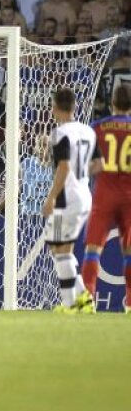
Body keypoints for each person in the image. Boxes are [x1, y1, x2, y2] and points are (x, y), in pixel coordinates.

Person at [36, 87, 96, 314]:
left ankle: (71, 303)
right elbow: (97, 164)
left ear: (54, 108)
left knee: (58, 249)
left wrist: (50, 198)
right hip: (85, 196)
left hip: (66, 199)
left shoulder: (60, 134)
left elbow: (63, 166)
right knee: (64, 249)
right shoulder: (88, 131)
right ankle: (84, 300)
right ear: (75, 106)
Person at [81, 83, 131, 314]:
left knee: (93, 247)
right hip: (129, 194)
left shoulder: (97, 127)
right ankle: (130, 303)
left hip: (105, 192)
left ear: (112, 103)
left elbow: (87, 163)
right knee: (128, 249)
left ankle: (87, 298)